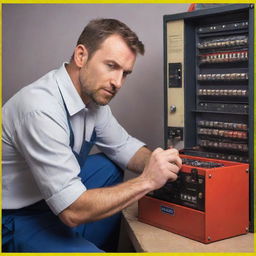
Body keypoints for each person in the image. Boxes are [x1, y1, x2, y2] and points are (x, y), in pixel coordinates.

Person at [2, 18, 182, 252]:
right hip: (14, 216)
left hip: (45, 196)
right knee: (75, 212)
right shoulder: (40, 108)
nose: (117, 82)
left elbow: (124, 147)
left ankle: (85, 245)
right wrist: (148, 180)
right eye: (111, 66)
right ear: (81, 56)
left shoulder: (93, 101)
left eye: (125, 73)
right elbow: (71, 210)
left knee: (110, 165)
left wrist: (165, 164)